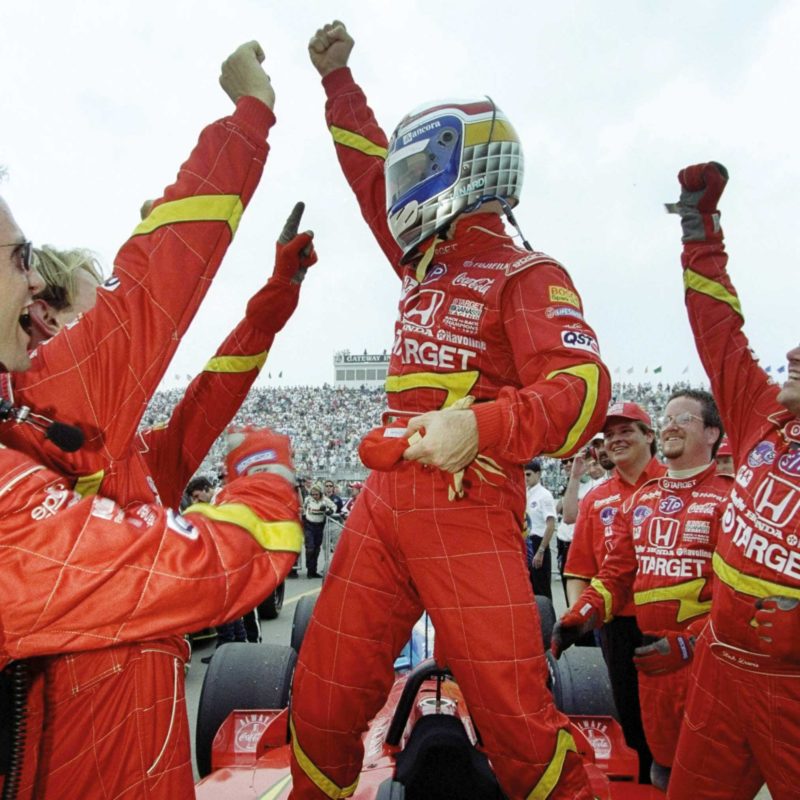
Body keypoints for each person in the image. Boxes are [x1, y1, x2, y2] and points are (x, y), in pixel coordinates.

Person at [289, 20, 611, 800]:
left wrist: (484, 427)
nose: (399, 191)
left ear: (468, 166)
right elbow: (371, 175)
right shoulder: (420, 263)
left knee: (519, 728)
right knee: (322, 705)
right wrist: (338, 81)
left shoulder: (525, 271)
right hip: (381, 503)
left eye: (420, 171)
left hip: (469, 508)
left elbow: (585, 388)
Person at [0, 41, 293, 800]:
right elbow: (152, 292)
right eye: (96, 299)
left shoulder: (108, 452)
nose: (111, 317)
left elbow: (202, 407)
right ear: (45, 319)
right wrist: (247, 118)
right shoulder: (49, 398)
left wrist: (273, 303)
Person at [661, 162, 800, 799]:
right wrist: (699, 228)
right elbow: (718, 330)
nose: (793, 354)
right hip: (719, 667)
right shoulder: (763, 412)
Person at [553, 389, 731, 790]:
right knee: (656, 763)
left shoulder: (731, 498)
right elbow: (615, 575)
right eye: (667, 417)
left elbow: (739, 598)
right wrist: (580, 617)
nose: (671, 424)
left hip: (707, 660)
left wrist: (689, 645)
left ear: (712, 434)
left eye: (684, 419)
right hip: (648, 658)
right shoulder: (640, 502)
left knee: (710, 769)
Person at [562, 401, 661, 782]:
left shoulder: (678, 484)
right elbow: (578, 571)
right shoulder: (595, 498)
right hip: (617, 627)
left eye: (627, 432)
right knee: (631, 720)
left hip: (677, 627)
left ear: (649, 436)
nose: (616, 441)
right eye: (610, 435)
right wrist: (579, 620)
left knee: (684, 724)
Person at [525, 459, 557, 600]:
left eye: (528, 474)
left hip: (539, 543)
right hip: (527, 541)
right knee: (529, 588)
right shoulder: (526, 493)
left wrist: (541, 550)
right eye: (523, 475)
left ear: (538, 474)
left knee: (541, 590)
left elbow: (550, 525)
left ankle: (547, 621)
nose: (525, 478)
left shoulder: (545, 495)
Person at [302, 482, 337, 578]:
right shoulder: (308, 500)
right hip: (309, 525)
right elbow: (303, 509)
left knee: (316, 549)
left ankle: (314, 570)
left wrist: (329, 511)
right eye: (313, 494)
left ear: (320, 494)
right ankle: (309, 570)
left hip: (319, 526)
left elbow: (334, 507)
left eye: (316, 494)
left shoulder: (325, 500)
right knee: (310, 548)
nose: (314, 496)